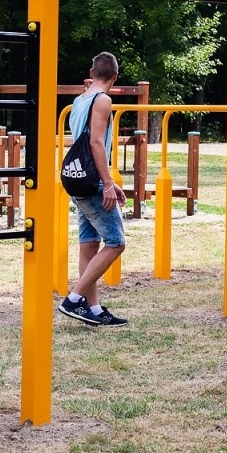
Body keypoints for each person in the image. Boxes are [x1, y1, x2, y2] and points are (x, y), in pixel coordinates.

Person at [58, 52, 129, 327]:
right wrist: (108, 184)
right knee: (116, 243)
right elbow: (96, 144)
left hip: (77, 177)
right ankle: (74, 299)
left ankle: (94, 309)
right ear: (115, 76)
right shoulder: (103, 100)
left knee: (89, 245)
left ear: (91, 71)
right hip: (93, 181)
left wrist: (110, 183)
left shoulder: (80, 99)